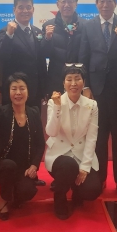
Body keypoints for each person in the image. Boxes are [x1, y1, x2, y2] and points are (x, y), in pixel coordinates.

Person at [79, 0, 117, 198]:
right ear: (96, 4)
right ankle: (100, 178)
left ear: (115, 3)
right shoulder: (88, 26)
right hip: (96, 89)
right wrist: (86, 86)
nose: (105, 5)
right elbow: (83, 57)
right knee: (99, 136)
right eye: (101, 1)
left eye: (109, 1)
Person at [0, 73, 45, 220]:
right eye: (14, 89)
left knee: (28, 192)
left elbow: (40, 144)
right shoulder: (2, 112)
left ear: (28, 91)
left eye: (22, 88)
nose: (18, 92)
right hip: (0, 165)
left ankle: (13, 192)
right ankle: (3, 200)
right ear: (9, 92)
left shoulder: (34, 113)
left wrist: (34, 165)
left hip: (23, 167)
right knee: (9, 165)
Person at [45, 65, 102, 220]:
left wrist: (85, 166)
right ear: (63, 83)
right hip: (59, 156)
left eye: (77, 79)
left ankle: (77, 191)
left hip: (81, 154)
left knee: (92, 189)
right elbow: (51, 132)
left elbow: (91, 137)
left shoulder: (92, 105)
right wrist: (57, 107)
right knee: (68, 165)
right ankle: (60, 195)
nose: (73, 83)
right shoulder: (54, 102)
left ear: (84, 82)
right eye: (69, 79)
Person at [0, 0, 46, 108]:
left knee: (34, 119)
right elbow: (2, 57)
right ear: (14, 10)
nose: (25, 11)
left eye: (28, 7)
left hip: (35, 91)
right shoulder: (6, 31)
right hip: (15, 91)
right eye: (21, 7)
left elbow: (41, 62)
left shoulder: (38, 31)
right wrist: (9, 35)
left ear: (33, 9)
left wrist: (44, 89)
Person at [42, 0, 85, 97]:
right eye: (63, 1)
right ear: (57, 4)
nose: (67, 5)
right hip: (56, 80)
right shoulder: (48, 26)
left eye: (70, 1)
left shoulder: (85, 26)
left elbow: (87, 55)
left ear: (76, 4)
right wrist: (47, 38)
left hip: (78, 80)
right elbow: (44, 54)